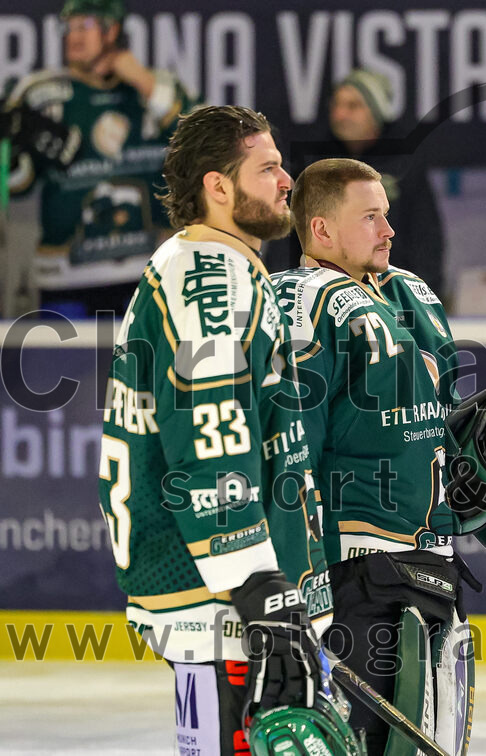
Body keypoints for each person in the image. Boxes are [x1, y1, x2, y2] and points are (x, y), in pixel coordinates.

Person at [275, 157, 486, 754]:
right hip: (355, 575)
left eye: (387, 215)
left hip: (433, 570)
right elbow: (289, 449)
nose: (389, 229)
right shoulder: (300, 304)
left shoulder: (414, 294)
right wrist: (303, 587)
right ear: (321, 230)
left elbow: (444, 427)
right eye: (371, 217)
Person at [97, 105, 343, 754]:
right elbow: (209, 434)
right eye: (268, 169)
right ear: (219, 187)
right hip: (221, 599)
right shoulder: (206, 275)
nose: (287, 180)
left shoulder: (218, 267)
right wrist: (259, 585)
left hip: (224, 592)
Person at [3, 0, 195, 317]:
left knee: (146, 366)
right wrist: (11, 157)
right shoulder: (38, 92)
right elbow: (16, 186)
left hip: (149, 272)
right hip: (64, 273)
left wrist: (143, 82)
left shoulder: (158, 86)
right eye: (69, 27)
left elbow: (204, 145)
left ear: (112, 30)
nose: (73, 35)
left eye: (85, 25)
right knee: (60, 367)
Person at [321, 69, 446, 296]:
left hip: (392, 295)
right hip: (328, 294)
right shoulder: (319, 164)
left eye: (353, 106)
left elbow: (425, 236)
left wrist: (423, 298)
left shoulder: (404, 164)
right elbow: (293, 233)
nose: (340, 114)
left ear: (377, 112)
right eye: (336, 105)